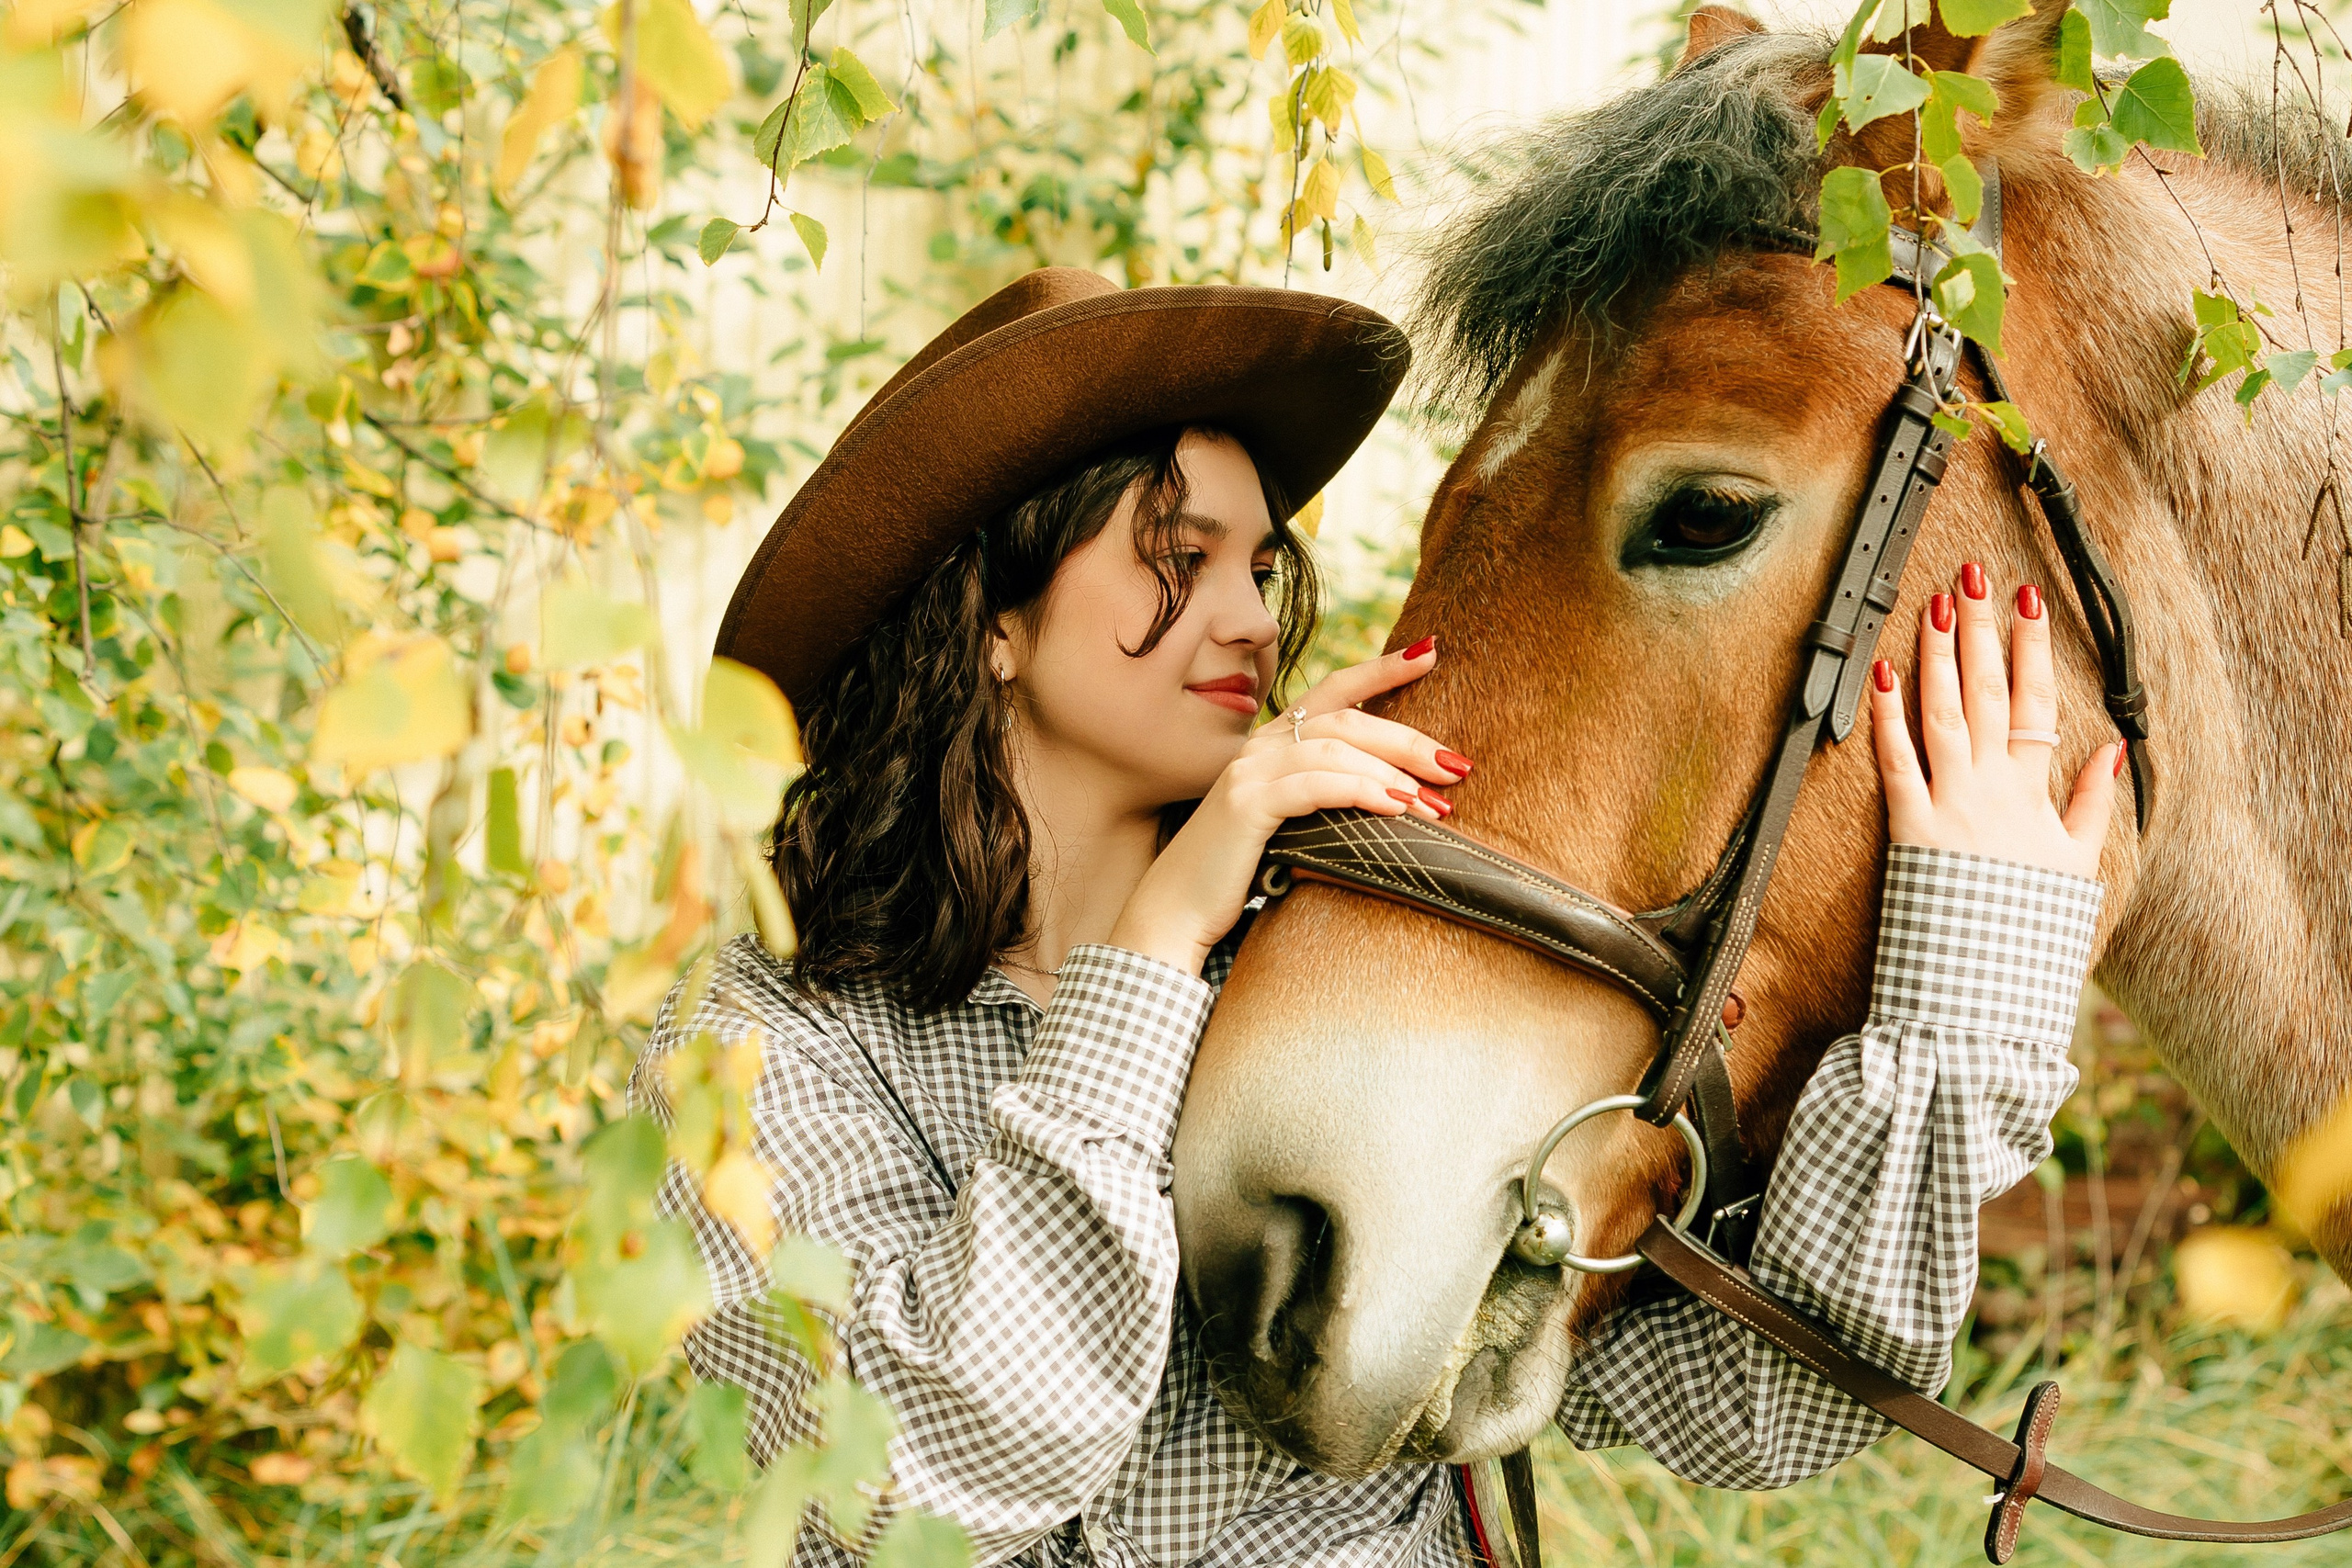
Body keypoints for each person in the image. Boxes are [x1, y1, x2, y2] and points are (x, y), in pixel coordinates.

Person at [630, 268, 2119, 1567]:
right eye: (1175, 554)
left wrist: (1966, 975)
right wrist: (1153, 956)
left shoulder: (1330, 969)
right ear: (992, 619)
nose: (1251, 618)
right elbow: (918, 1482)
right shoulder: (755, 1047)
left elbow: (1753, 1404)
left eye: (1259, 562)